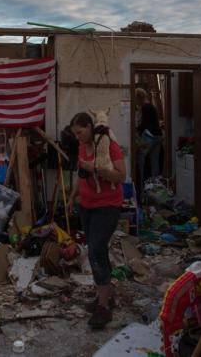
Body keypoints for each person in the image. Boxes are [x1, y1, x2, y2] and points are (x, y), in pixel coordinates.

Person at [67, 111, 127, 329]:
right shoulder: (83, 146)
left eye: (80, 132)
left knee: (95, 252)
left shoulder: (109, 145)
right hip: (87, 206)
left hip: (107, 206)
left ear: (90, 127)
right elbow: (80, 172)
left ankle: (104, 308)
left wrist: (97, 169)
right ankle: (106, 296)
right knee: (97, 250)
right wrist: (73, 196)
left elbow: (121, 176)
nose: (77, 137)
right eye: (74, 134)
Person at [134, 88, 162, 202]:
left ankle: (140, 192)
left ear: (138, 98)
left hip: (148, 136)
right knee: (155, 163)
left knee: (140, 161)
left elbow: (144, 124)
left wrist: (136, 129)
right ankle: (156, 193)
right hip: (158, 135)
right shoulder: (152, 106)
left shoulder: (145, 107)